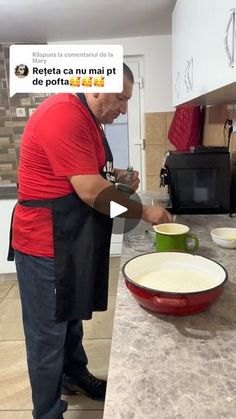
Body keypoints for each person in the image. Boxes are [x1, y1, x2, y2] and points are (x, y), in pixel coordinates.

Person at [8, 63, 172, 419]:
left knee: (71, 316)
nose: (124, 108)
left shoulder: (89, 120)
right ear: (96, 88)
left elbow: (89, 175)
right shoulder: (64, 115)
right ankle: (48, 412)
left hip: (66, 239)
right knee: (46, 336)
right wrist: (144, 213)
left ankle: (74, 375)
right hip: (44, 243)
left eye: (129, 99)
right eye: (121, 98)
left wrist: (118, 177)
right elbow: (90, 192)